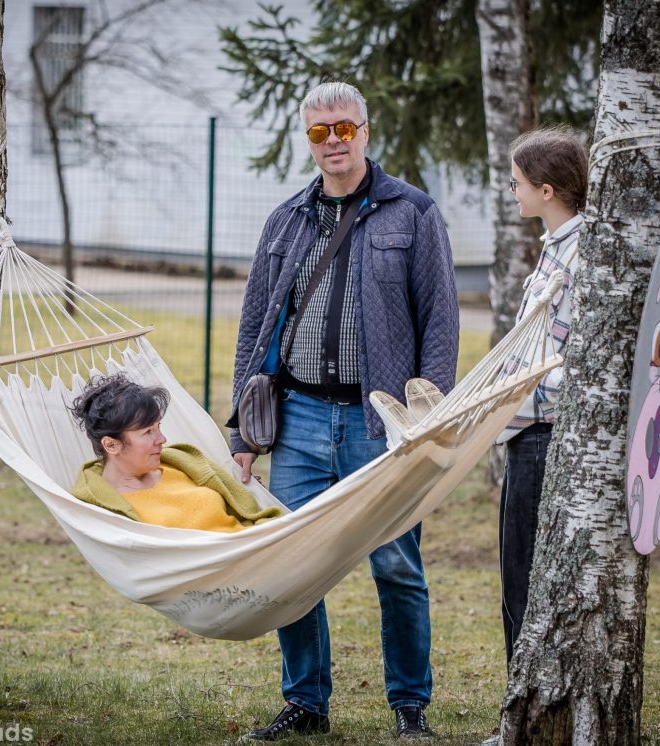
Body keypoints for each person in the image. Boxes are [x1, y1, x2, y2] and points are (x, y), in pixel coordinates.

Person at [227, 82, 459, 740]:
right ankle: (306, 702)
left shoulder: (412, 213)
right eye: (319, 131)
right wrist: (242, 430)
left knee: (397, 566)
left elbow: (440, 321)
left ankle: (409, 706)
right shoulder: (286, 220)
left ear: (365, 130)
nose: (334, 141)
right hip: (298, 418)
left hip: (381, 424)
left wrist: (426, 418)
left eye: (344, 128)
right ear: (308, 140)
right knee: (292, 565)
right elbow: (255, 327)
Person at [493, 125, 588, 682]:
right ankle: (524, 691)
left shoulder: (579, 254)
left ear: (546, 190)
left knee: (525, 573)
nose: (513, 192)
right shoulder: (556, 247)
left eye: (517, 183)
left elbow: (568, 354)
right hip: (525, 428)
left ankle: (527, 694)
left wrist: (516, 391)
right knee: (517, 570)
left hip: (543, 433)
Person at [69, 374, 282, 532]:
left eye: (158, 427)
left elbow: (248, 508)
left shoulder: (183, 461)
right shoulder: (103, 507)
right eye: (147, 432)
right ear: (111, 445)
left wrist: (251, 492)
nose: (162, 439)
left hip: (256, 548)